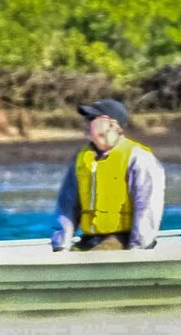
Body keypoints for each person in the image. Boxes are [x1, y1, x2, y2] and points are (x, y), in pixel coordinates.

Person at [50, 98, 164, 252]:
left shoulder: (138, 157)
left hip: (123, 239)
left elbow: (148, 207)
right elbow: (66, 206)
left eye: (93, 119)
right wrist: (60, 246)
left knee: (93, 260)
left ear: (112, 125)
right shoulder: (81, 158)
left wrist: (139, 249)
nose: (87, 122)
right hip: (89, 239)